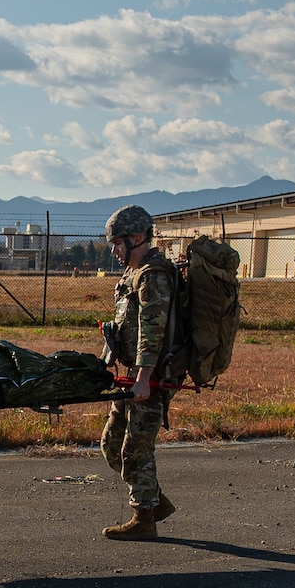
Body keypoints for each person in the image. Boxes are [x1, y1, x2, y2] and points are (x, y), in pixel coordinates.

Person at [97, 204, 182, 541]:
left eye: (118, 243)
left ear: (137, 237)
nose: (115, 251)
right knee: (111, 443)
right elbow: (124, 327)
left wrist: (145, 379)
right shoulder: (131, 275)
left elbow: (152, 332)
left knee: (136, 447)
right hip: (133, 374)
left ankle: (144, 517)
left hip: (152, 376)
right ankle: (154, 500)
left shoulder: (153, 276)